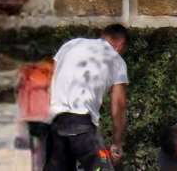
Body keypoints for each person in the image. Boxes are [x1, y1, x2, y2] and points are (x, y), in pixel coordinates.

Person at [44, 24, 130, 171]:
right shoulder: (116, 59)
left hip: (56, 124)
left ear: (103, 34)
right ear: (120, 45)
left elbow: (49, 77)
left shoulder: (71, 45)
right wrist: (117, 143)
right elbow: (119, 105)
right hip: (82, 127)